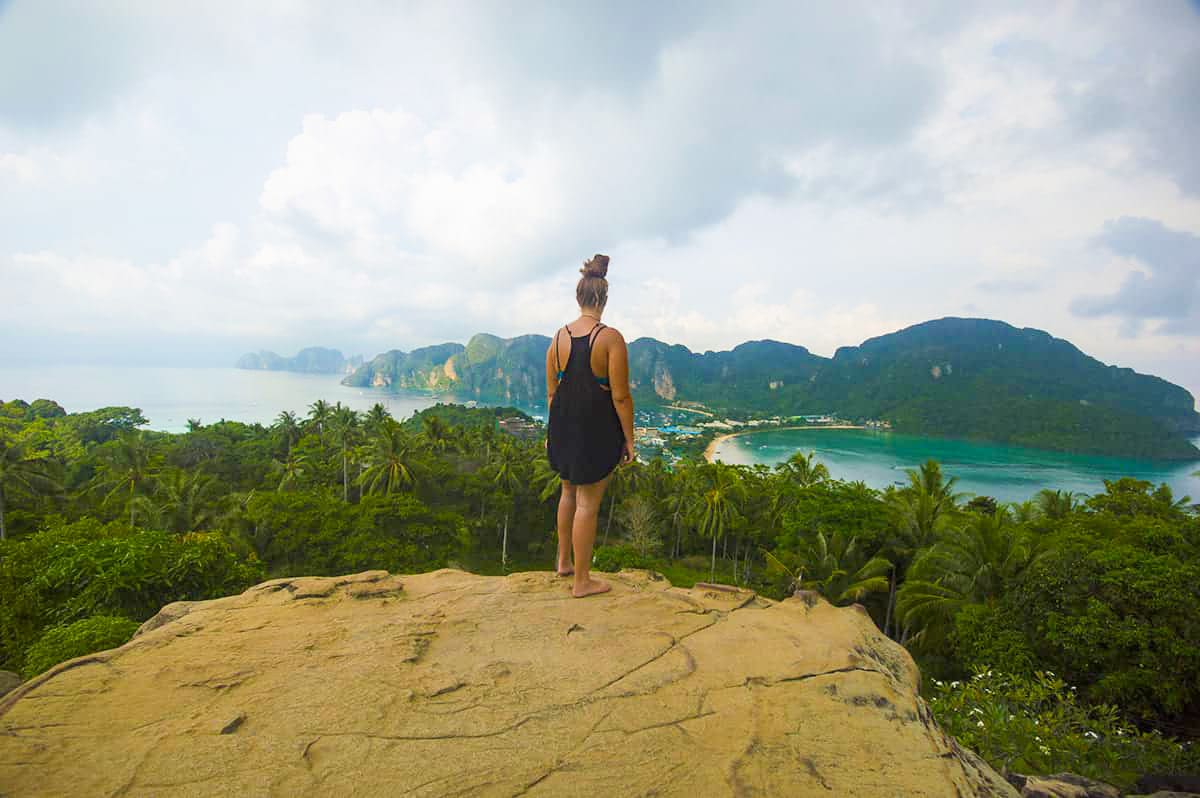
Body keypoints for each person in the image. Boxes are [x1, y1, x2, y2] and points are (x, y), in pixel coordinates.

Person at [545, 253, 635, 598]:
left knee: (568, 492)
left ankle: (564, 562)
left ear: (579, 297)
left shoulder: (557, 338)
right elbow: (621, 397)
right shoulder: (610, 338)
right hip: (595, 431)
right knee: (588, 504)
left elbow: (553, 393)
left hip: (563, 427)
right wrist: (629, 440)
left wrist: (552, 434)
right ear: (604, 299)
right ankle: (582, 582)